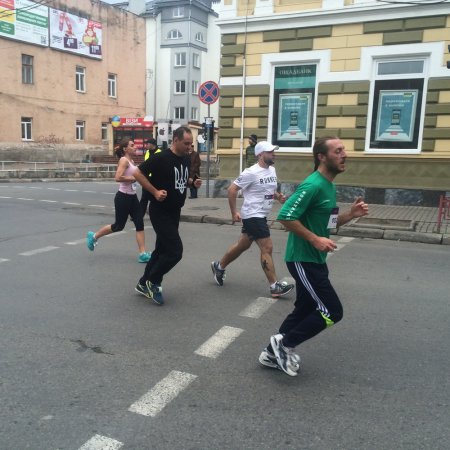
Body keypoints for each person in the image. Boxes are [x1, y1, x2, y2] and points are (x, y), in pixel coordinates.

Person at [259, 136, 369, 377]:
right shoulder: (313, 185)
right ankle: (285, 344)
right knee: (332, 311)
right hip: (302, 258)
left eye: (344, 150)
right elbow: (286, 216)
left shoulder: (328, 186)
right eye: (338, 151)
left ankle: (270, 353)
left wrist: (351, 214)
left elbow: (328, 225)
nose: (344, 154)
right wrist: (314, 239)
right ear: (322, 156)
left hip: (314, 259)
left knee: (305, 309)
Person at [211, 141, 295, 299]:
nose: (274, 154)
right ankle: (274, 286)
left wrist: (278, 196)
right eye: (270, 152)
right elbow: (232, 189)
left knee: (243, 245)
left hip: (261, 214)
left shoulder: (272, 170)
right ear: (260, 155)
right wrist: (234, 212)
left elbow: (270, 188)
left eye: (274, 151)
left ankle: (219, 266)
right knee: (267, 247)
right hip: (252, 214)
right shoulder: (251, 172)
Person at [133, 126, 202, 305]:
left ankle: (142, 283)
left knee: (161, 250)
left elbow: (180, 179)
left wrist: (193, 183)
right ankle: (153, 281)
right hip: (160, 211)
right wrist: (155, 192)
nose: (189, 147)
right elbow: (137, 173)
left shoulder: (186, 159)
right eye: (186, 143)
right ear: (175, 140)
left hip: (175, 211)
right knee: (175, 252)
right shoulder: (161, 158)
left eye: (191, 144)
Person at [86, 139, 151, 263]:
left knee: (139, 223)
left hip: (132, 197)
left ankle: (142, 254)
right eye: (132, 145)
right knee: (118, 226)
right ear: (125, 149)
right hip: (123, 197)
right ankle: (94, 237)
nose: (135, 147)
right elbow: (117, 177)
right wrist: (133, 178)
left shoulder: (131, 161)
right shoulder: (123, 160)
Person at [139, 138, 161, 216]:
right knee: (144, 197)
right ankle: (140, 215)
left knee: (155, 197)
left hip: (156, 178)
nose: (146, 145)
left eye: (147, 143)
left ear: (152, 144)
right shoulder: (147, 152)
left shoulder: (160, 152)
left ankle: (157, 213)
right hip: (147, 177)